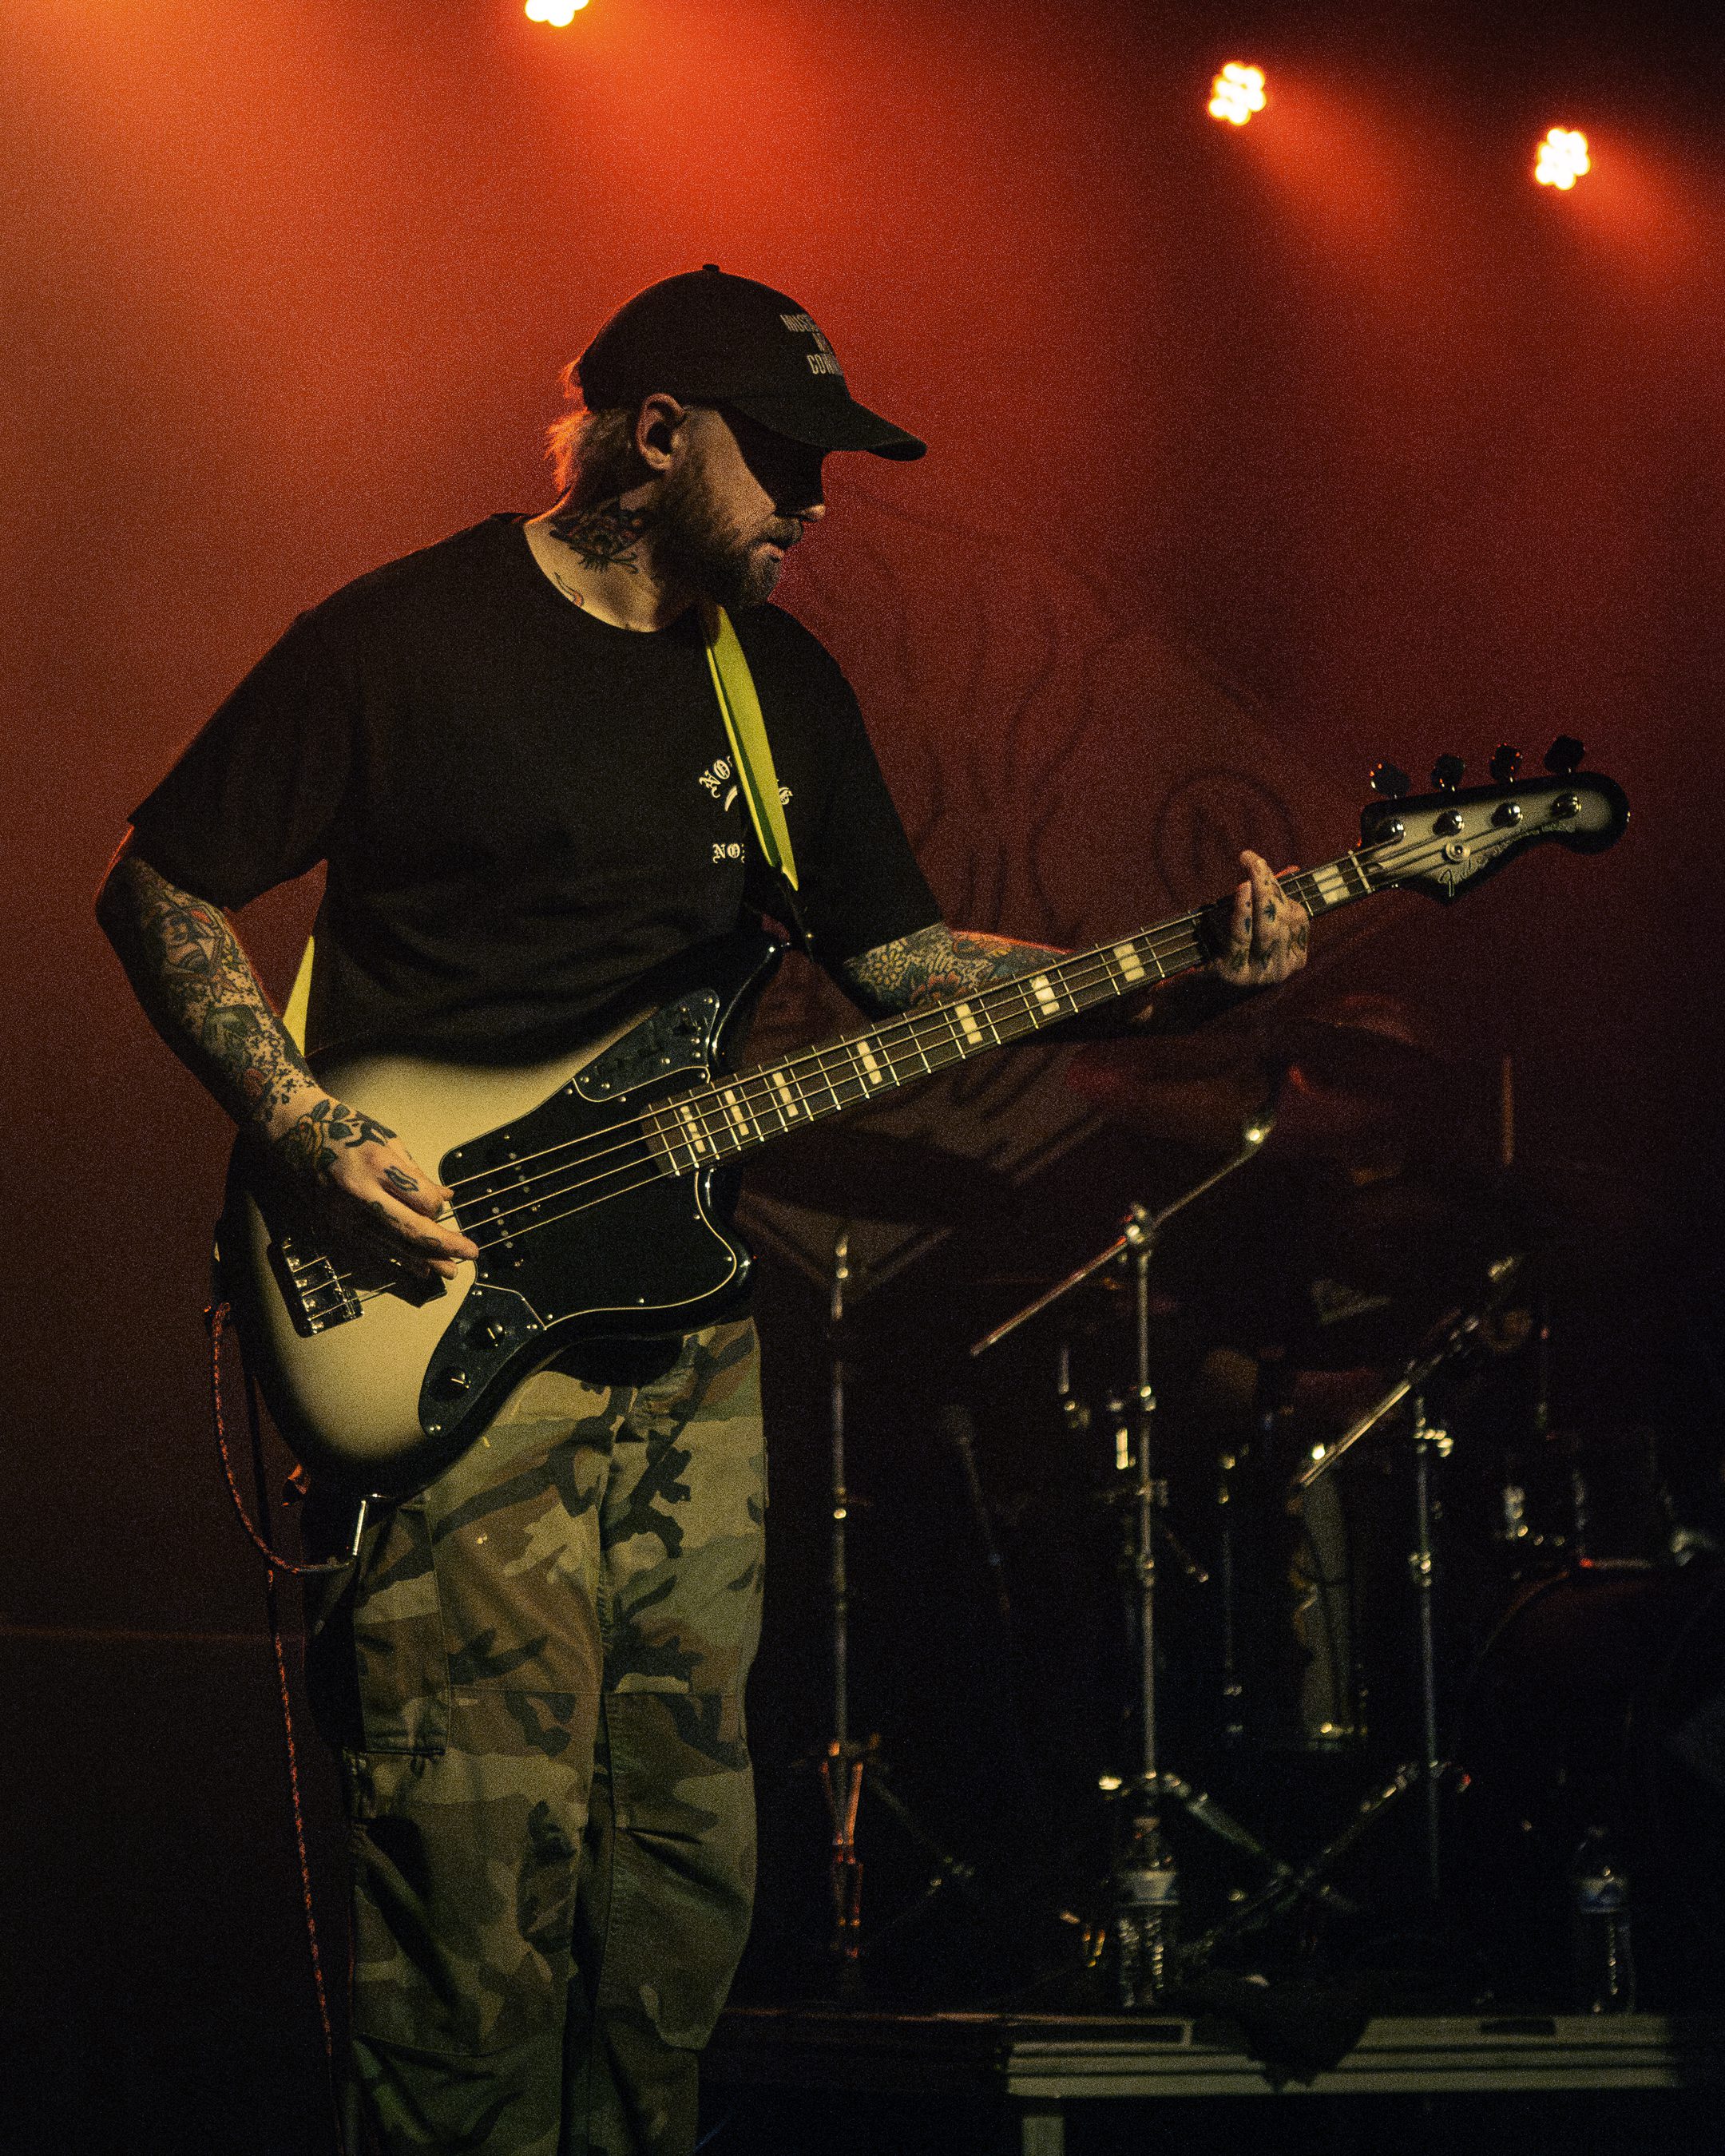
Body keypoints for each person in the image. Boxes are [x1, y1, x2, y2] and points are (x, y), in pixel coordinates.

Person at [95, 266, 1309, 2156]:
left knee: (679, 1886)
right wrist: (312, 1129)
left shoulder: (776, 685)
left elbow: (907, 964)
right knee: (472, 1885)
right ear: (656, 436)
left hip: (688, 1353)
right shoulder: (402, 639)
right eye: (790, 461)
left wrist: (1177, 978)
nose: (818, 501)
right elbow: (163, 887)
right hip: (448, 1325)